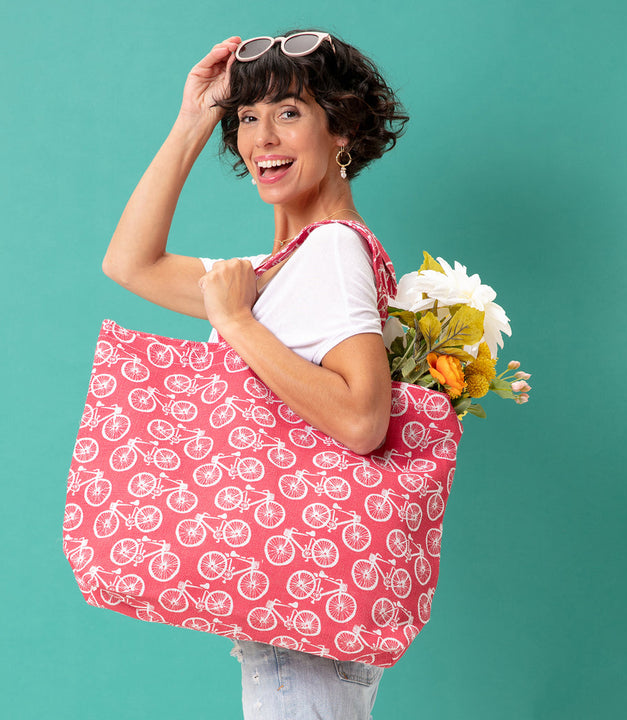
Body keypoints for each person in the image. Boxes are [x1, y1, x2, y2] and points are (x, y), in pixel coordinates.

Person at [103, 29, 408, 720]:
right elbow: (130, 264)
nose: (262, 138)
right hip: (299, 608)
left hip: (302, 617)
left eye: (290, 112)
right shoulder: (285, 269)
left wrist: (238, 324)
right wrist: (194, 118)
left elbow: (364, 421)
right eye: (246, 117)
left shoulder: (331, 251)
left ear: (344, 131)